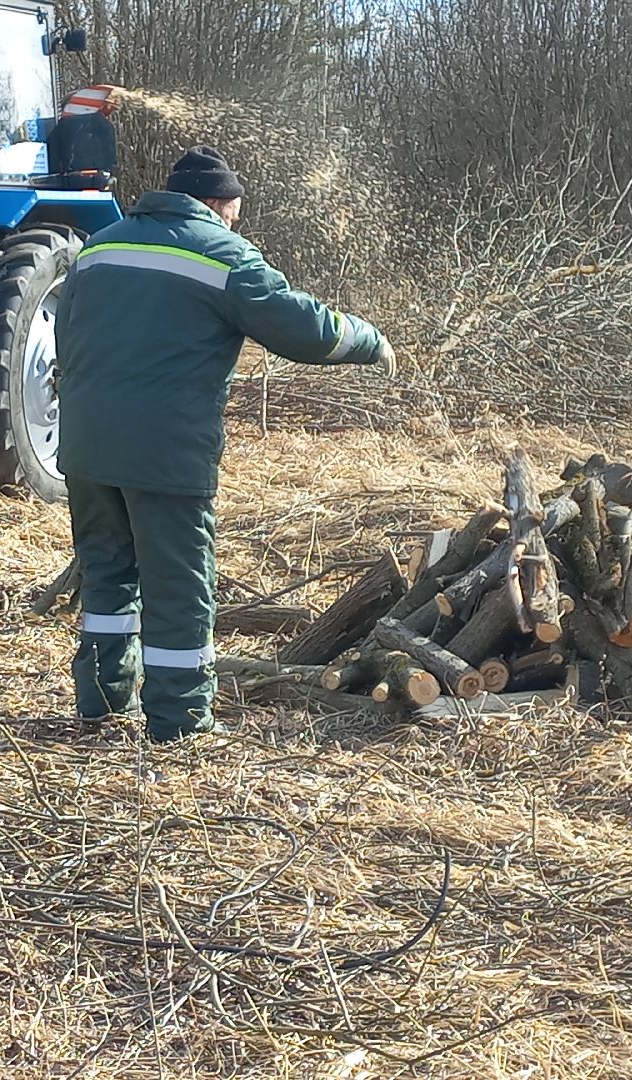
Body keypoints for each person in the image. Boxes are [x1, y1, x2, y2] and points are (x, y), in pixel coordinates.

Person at [54, 145, 396, 743]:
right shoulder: (221, 252)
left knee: (108, 576)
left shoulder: (100, 245)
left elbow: (68, 331)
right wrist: (370, 342)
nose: (234, 222)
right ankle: (180, 722)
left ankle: (101, 703)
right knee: (179, 584)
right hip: (164, 451)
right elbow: (305, 328)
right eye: (232, 213)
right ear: (217, 204)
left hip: (85, 446)